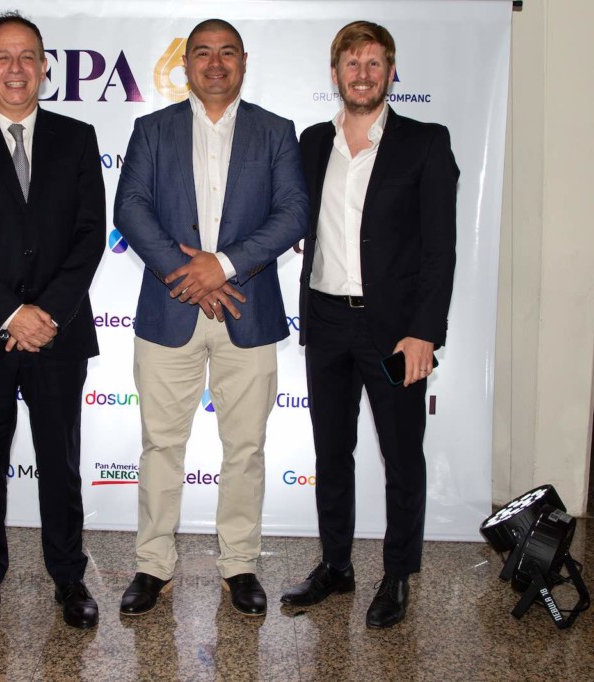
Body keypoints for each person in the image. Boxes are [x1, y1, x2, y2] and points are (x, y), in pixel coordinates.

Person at [114, 18, 308, 618]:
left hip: (246, 308)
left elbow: (294, 212)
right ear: (187, 64)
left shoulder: (277, 131)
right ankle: (152, 564)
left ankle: (240, 563)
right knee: (160, 445)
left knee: (245, 447)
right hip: (170, 308)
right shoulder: (152, 129)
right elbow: (130, 208)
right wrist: (190, 275)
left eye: (227, 53)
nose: (215, 63)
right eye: (203, 53)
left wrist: (221, 266)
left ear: (244, 61)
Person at [280, 20, 457, 629]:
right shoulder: (309, 143)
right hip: (326, 320)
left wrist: (424, 332)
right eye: (351, 63)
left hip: (395, 332)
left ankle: (398, 573)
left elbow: (440, 249)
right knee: (333, 454)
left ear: (390, 72)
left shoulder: (426, 143)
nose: (362, 74)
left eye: (374, 63)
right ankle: (336, 566)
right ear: (335, 74)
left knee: (402, 455)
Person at [0, 11, 105, 632]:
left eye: (27, 56)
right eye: (2, 57)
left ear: (43, 68)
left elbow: (89, 238)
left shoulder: (78, 138)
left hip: (59, 336)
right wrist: (12, 313)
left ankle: (68, 575)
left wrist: (47, 312)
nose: (15, 68)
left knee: (60, 462)